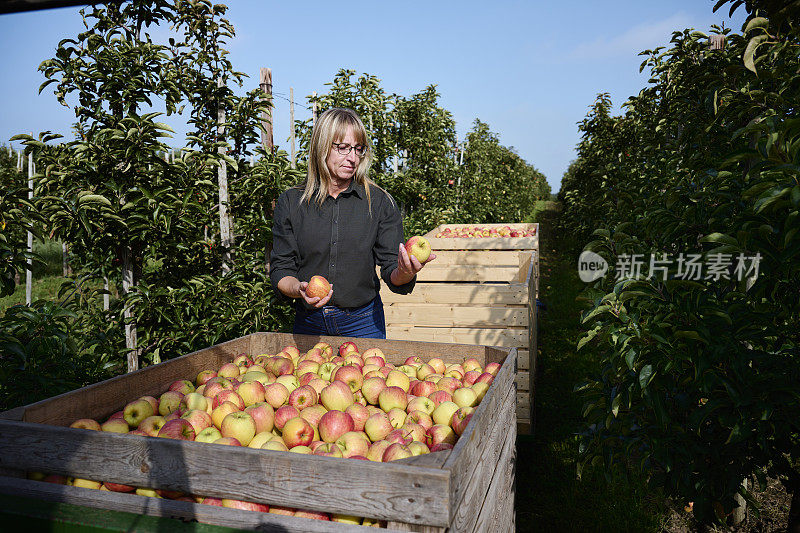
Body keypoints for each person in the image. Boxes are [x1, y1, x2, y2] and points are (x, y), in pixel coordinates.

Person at [269, 107, 434, 338]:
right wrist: (299, 289)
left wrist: (405, 272)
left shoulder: (379, 203)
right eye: (343, 147)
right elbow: (282, 268)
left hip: (363, 323)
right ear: (321, 147)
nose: (353, 157)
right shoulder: (292, 202)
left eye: (358, 149)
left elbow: (390, 268)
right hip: (308, 323)